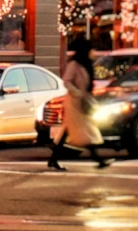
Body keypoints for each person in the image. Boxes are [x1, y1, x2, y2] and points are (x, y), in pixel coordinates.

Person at [47, 39, 112, 171]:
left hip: (81, 102)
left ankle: (53, 159)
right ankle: (98, 159)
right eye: (90, 50)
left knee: (69, 131)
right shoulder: (75, 64)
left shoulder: (85, 64)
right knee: (86, 131)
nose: (93, 52)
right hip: (74, 102)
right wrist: (77, 92)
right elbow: (66, 81)